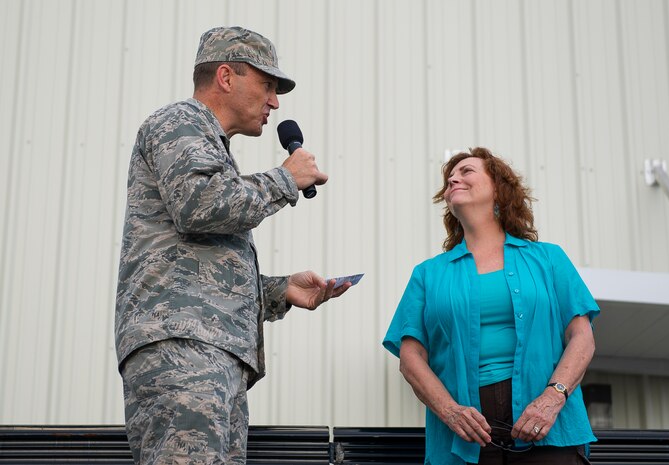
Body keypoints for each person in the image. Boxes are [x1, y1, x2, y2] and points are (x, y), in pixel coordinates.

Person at [114, 26, 351, 465]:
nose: (275, 102)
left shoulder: (208, 144)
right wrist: (285, 179)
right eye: (267, 85)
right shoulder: (179, 122)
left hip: (206, 353)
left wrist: (281, 291)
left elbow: (195, 268)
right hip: (183, 351)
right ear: (226, 77)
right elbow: (198, 205)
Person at [383, 147, 599, 464]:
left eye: (466, 171)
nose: (454, 178)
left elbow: (582, 337)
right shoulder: (428, 274)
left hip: (549, 432)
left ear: (498, 189)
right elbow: (410, 356)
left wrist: (552, 399)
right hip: (463, 441)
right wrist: (450, 411)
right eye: (449, 178)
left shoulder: (549, 258)